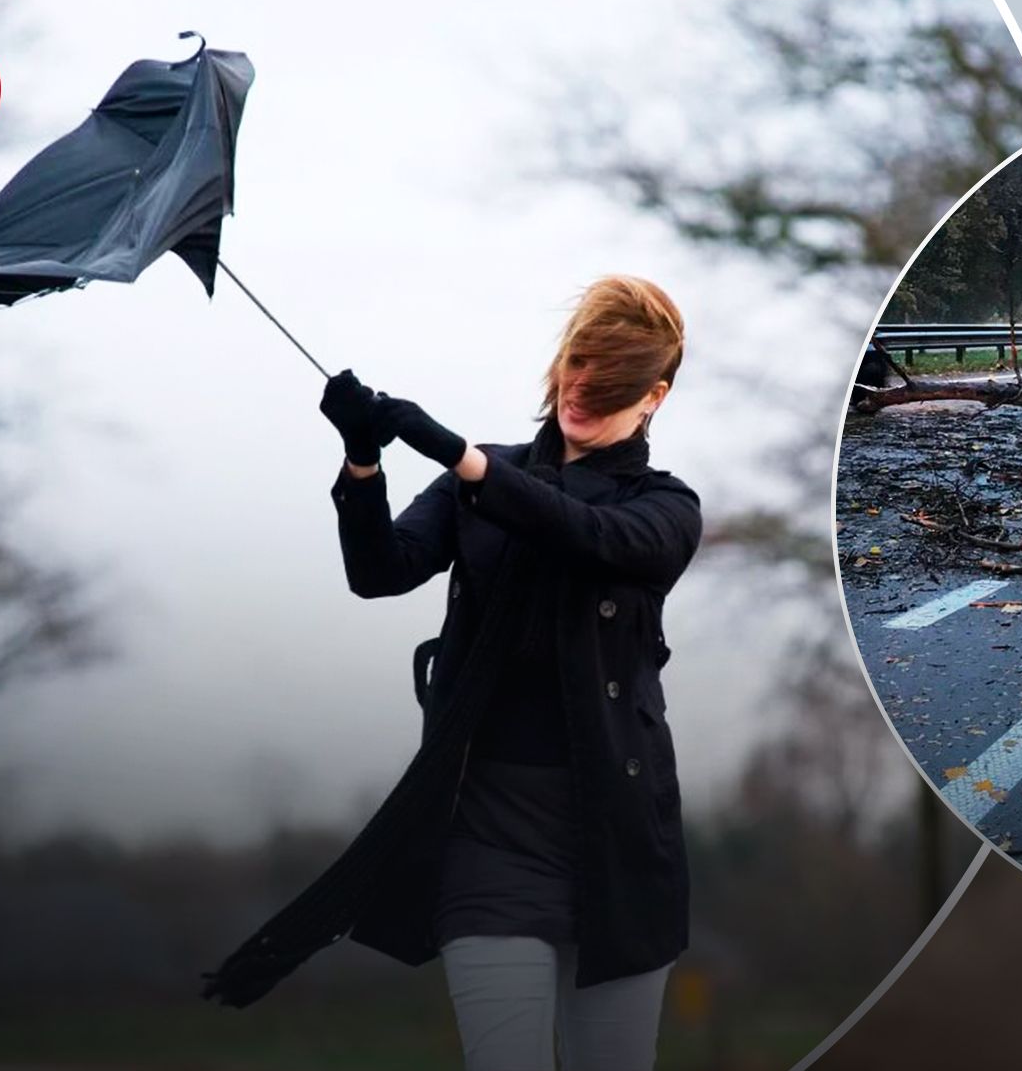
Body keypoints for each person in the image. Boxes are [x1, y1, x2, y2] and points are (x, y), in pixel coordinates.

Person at [205, 276, 700, 1071]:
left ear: (655, 397)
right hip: (488, 835)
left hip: (618, 841)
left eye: (609, 386)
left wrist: (463, 459)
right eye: (578, 368)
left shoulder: (665, 508)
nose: (582, 393)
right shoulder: (481, 480)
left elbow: (588, 536)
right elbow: (380, 571)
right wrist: (363, 461)